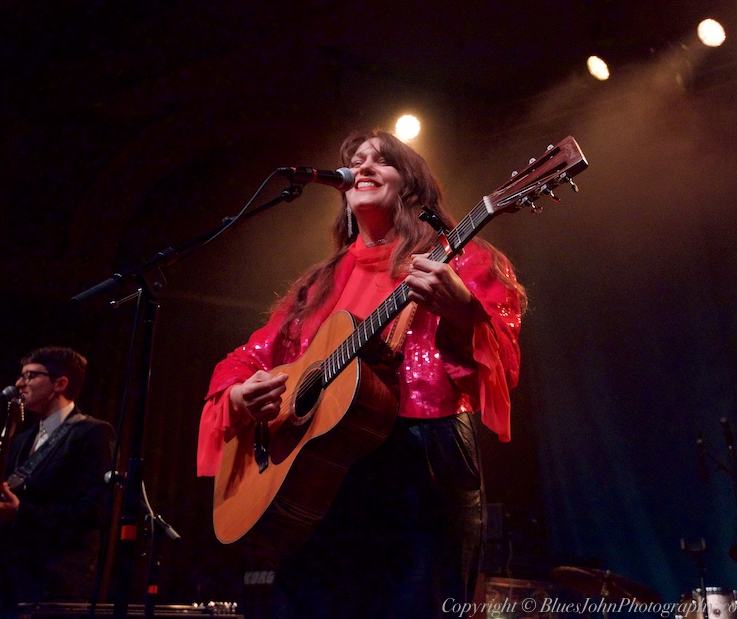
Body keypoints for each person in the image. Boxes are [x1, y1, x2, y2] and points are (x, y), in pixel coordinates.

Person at [197, 130, 526, 618]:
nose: (362, 166)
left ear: (411, 184)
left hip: (421, 456)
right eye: (355, 161)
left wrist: (463, 313)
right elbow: (251, 354)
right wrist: (239, 394)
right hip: (321, 474)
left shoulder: (464, 257)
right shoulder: (317, 283)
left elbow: (501, 357)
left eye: (381, 160)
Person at [0, 346, 116, 617]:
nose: (19, 384)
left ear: (59, 384)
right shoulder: (21, 440)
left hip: (57, 584)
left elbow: (93, 513)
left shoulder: (93, 433)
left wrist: (20, 513)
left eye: (30, 376)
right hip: (10, 580)